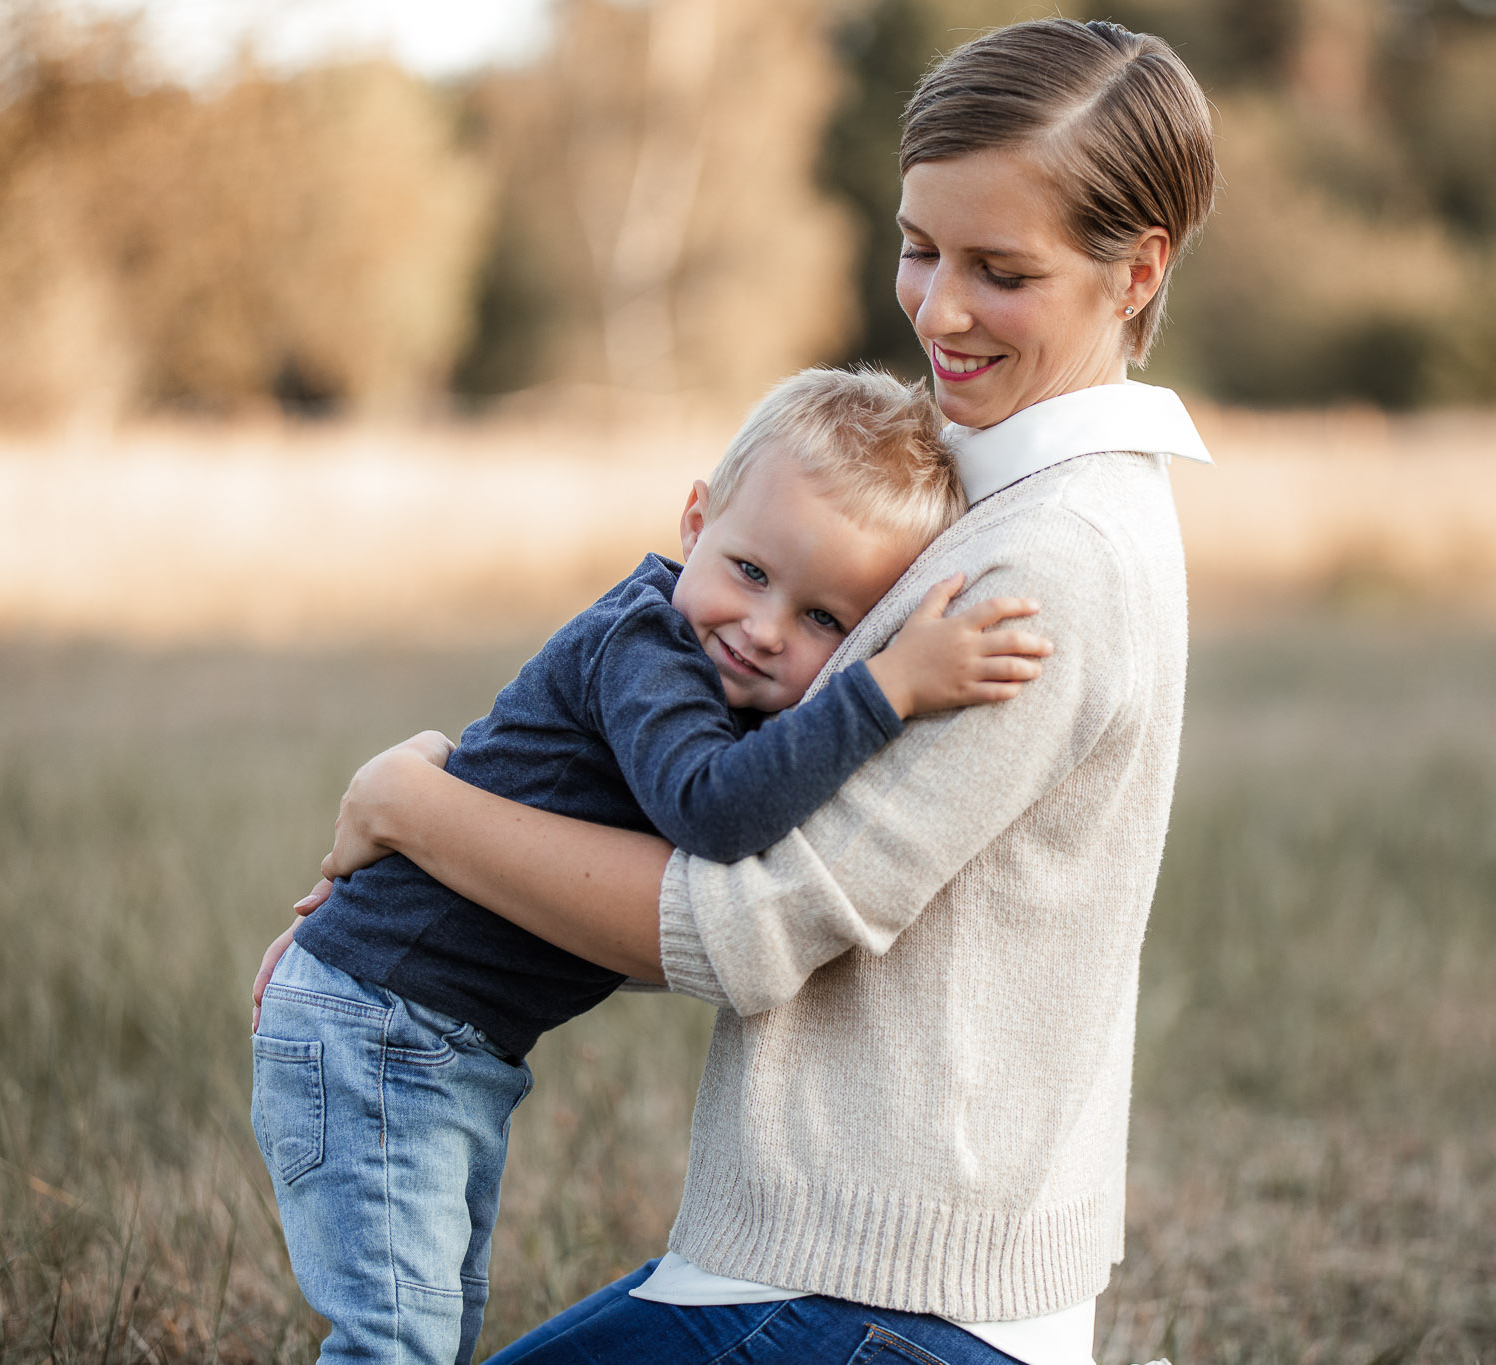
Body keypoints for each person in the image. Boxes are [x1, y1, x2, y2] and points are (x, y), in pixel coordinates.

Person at [258, 17, 1218, 1365]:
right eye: (919, 247)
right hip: (832, 1261)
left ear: (1138, 271)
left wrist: (411, 807)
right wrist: (393, 919)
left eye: (1000, 270)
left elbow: (747, 922)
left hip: (881, 1298)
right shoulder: (987, 488)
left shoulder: (1045, 562)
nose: (939, 309)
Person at [250, 366, 1053, 1365]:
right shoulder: (647, 645)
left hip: (429, 1036)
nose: (762, 631)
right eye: (751, 573)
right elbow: (713, 811)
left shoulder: (727, 678)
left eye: (823, 623)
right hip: (383, 1026)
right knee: (393, 1337)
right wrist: (884, 688)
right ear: (694, 520)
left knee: (427, 1327)